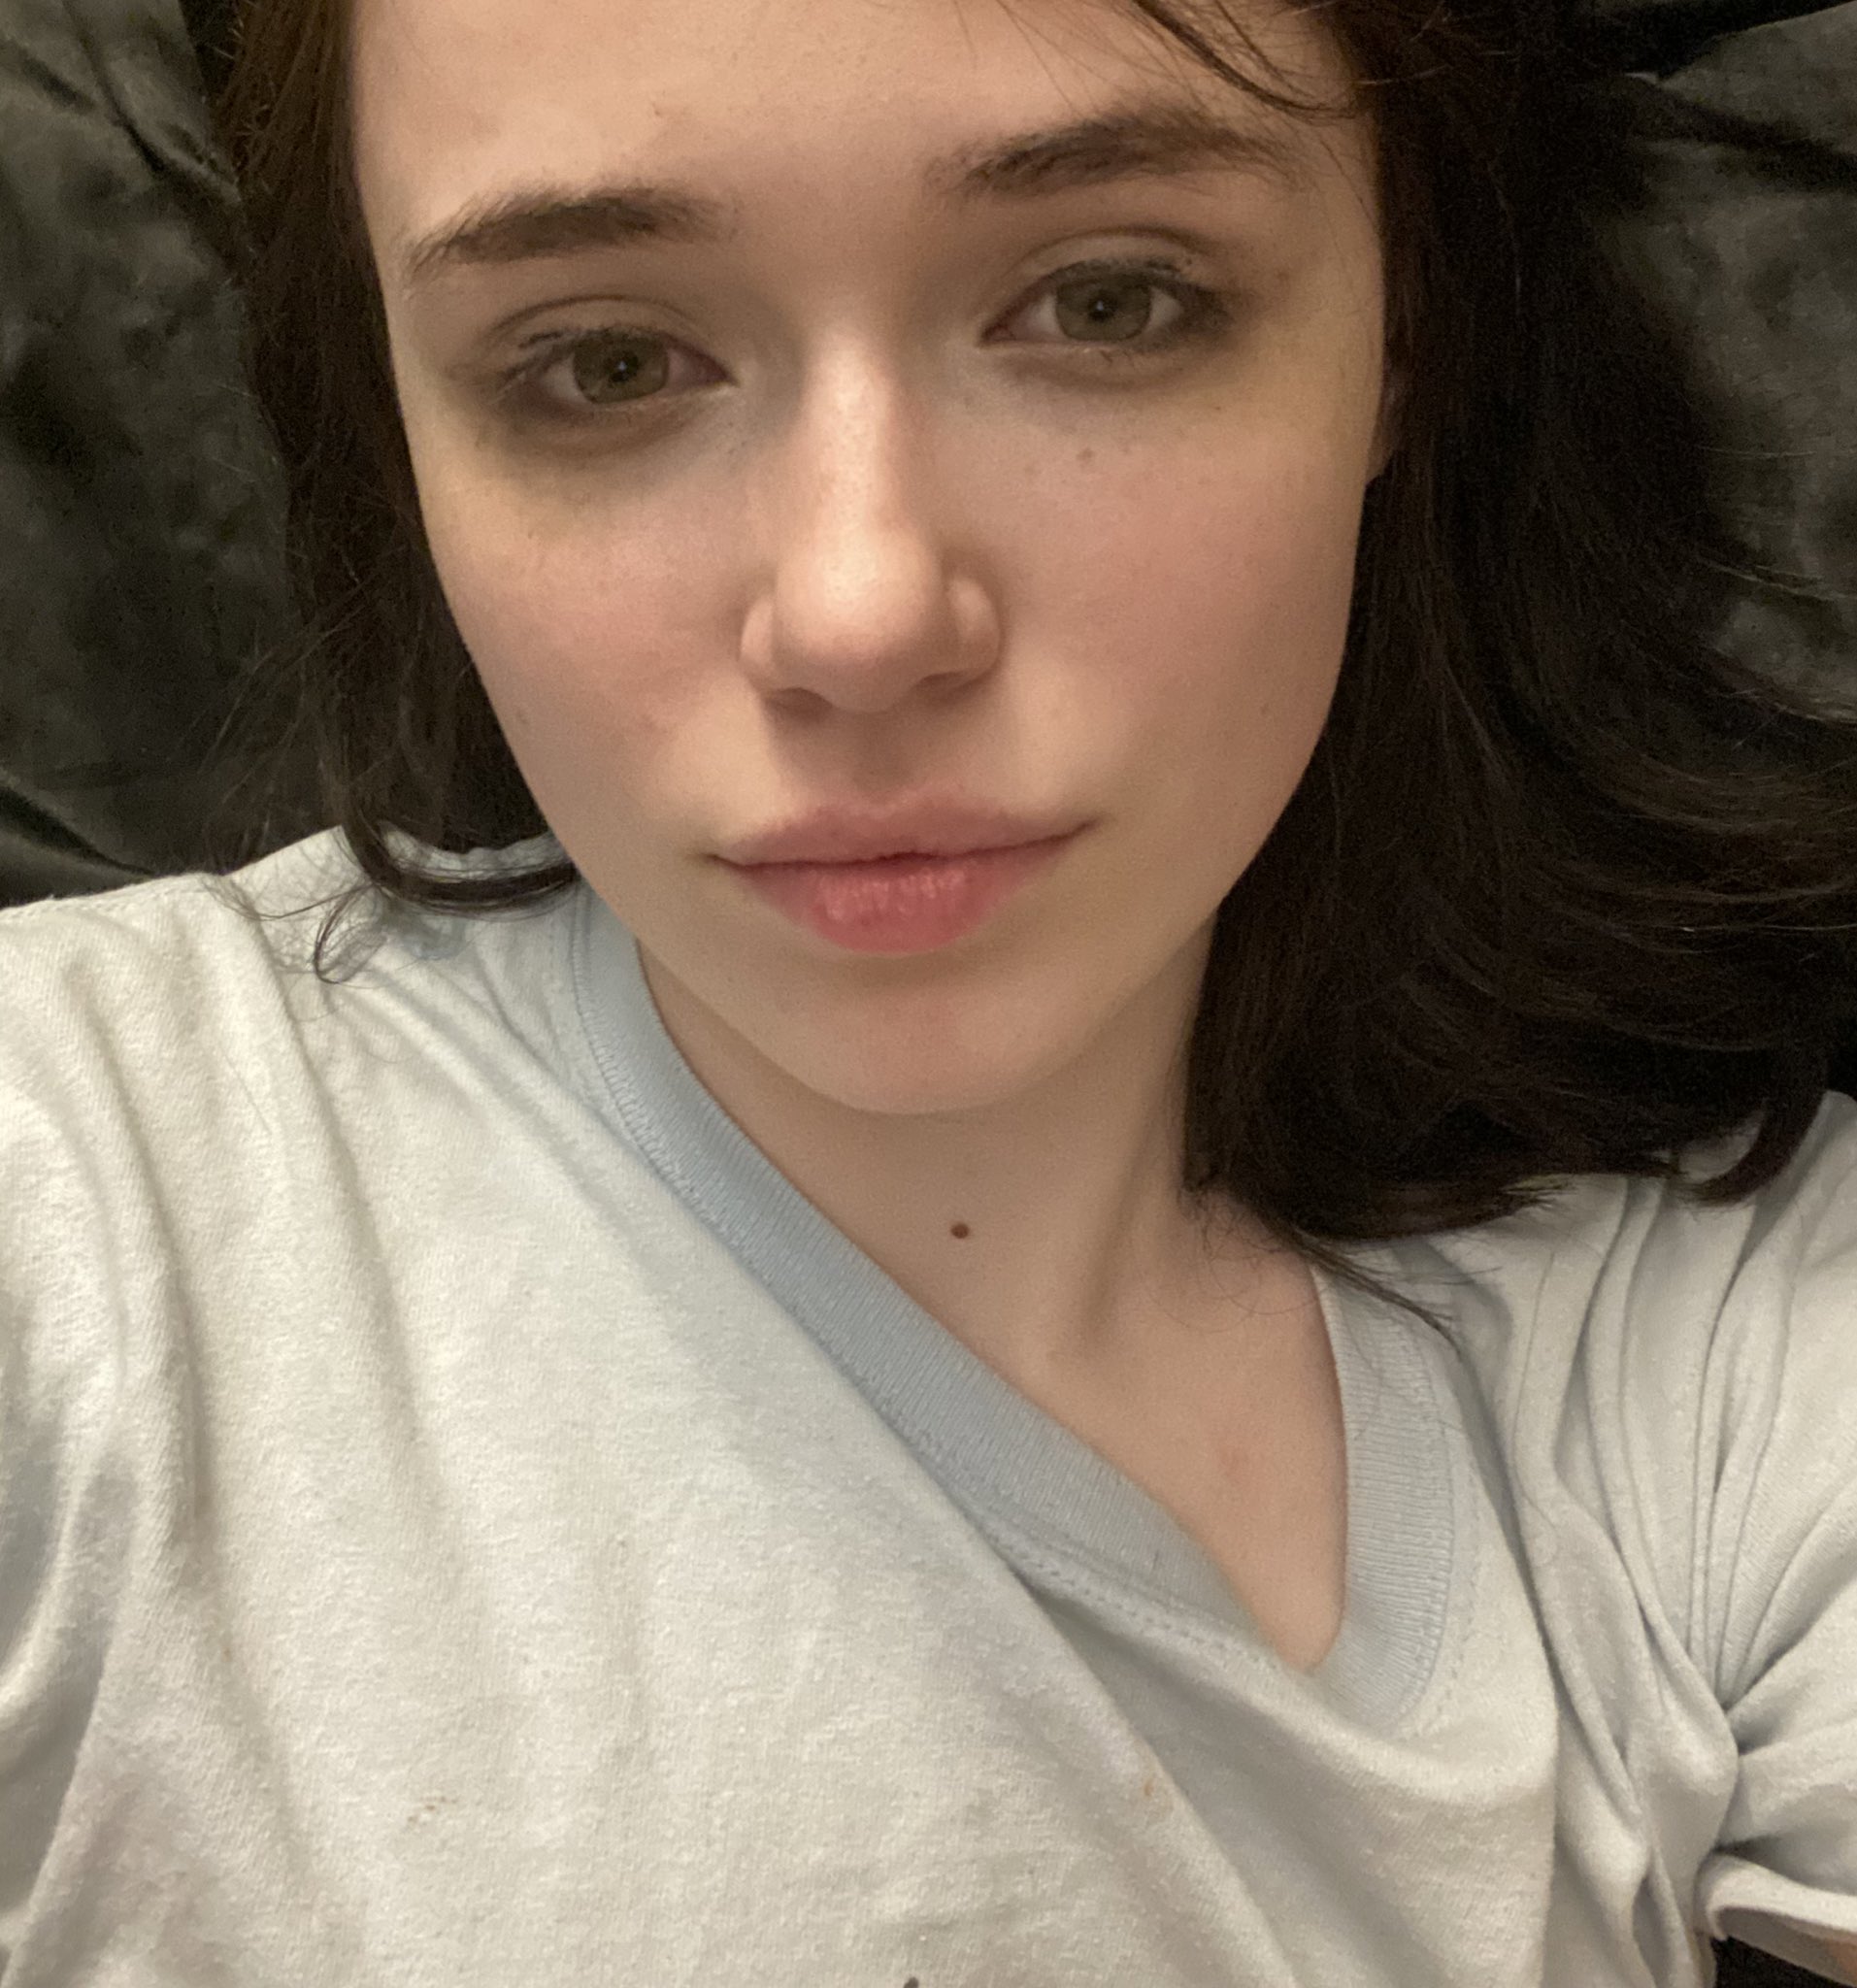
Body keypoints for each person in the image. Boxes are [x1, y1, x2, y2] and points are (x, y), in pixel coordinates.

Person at [2, 0, 1854, 1979]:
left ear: (1403, 334)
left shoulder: (1727, 1336)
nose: (863, 612)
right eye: (604, 360)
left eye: (1111, 302)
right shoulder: (80, 1195)